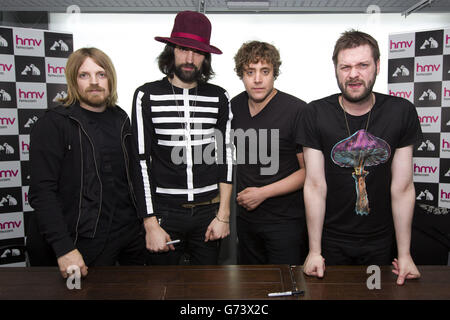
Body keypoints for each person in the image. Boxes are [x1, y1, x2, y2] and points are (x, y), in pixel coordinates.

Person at [300, 30, 422, 285]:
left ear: (377, 66)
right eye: (345, 66)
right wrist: (314, 251)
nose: (353, 74)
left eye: (362, 65)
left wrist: (405, 254)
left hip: (381, 241)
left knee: (378, 294)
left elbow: (402, 187)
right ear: (336, 69)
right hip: (330, 240)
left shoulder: (401, 112)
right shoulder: (315, 113)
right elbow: (314, 185)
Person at [28, 47, 146, 278]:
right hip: (81, 240)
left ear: (110, 78)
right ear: (73, 80)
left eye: (101, 74)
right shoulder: (53, 124)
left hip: (128, 236)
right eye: (84, 75)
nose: (94, 82)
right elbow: (42, 193)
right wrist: (64, 248)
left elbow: (132, 175)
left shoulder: (121, 118)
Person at [131, 11, 233, 265]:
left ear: (205, 57)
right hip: (165, 213)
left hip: (209, 212)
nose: (189, 58)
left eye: (197, 51)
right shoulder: (146, 95)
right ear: (171, 50)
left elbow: (226, 156)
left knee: (208, 288)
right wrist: (150, 223)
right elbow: (140, 161)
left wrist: (223, 215)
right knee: (161, 287)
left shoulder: (219, 96)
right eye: (182, 48)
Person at [231, 41, 307, 265]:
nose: (257, 79)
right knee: (251, 287)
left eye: (265, 71)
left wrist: (263, 193)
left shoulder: (297, 110)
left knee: (287, 285)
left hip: (286, 221)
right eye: (249, 72)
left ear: (275, 73)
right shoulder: (233, 107)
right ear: (241, 75)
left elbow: (308, 172)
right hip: (246, 220)